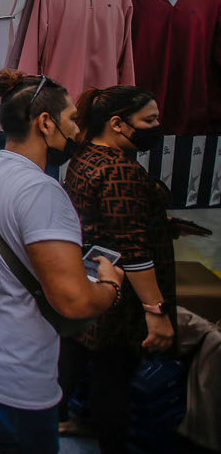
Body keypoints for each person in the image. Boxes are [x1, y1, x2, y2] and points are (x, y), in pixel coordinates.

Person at [0, 69, 124, 454]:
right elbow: (73, 300)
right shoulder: (41, 193)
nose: (77, 130)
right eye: (72, 119)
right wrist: (110, 284)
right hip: (10, 379)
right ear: (45, 123)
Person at [58, 86, 176, 453]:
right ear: (117, 124)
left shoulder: (86, 156)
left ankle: (71, 419)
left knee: (77, 361)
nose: (157, 126)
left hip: (86, 276)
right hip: (116, 294)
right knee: (114, 378)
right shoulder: (116, 170)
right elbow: (134, 248)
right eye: (149, 120)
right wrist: (155, 312)